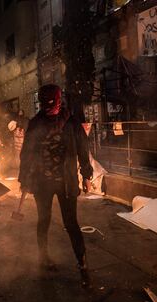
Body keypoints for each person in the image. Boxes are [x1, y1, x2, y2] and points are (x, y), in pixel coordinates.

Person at [18, 84, 93, 287]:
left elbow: (83, 150)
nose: (48, 108)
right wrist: (24, 178)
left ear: (59, 101)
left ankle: (83, 264)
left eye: (51, 104)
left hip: (66, 182)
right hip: (42, 183)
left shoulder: (71, 123)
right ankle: (43, 257)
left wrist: (86, 176)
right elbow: (26, 154)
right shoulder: (35, 123)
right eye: (44, 104)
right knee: (44, 219)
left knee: (71, 224)